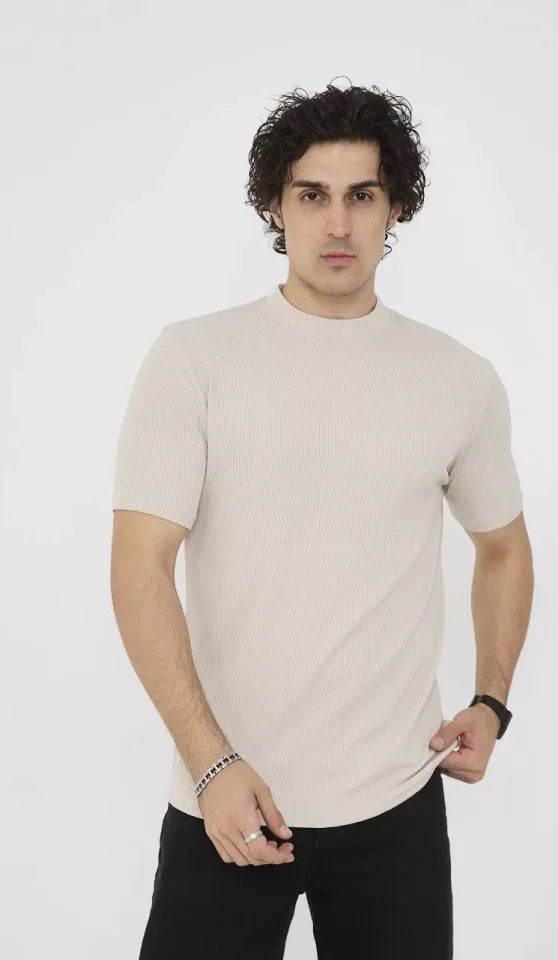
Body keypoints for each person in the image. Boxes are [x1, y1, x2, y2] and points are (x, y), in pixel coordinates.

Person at [110, 78, 534, 960]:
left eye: (361, 196)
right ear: (275, 205)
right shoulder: (194, 360)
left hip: (394, 803)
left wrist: (491, 700)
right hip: (226, 799)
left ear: (395, 207)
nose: (337, 224)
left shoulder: (457, 379)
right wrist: (211, 764)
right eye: (312, 196)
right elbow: (138, 567)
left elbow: (501, 546)